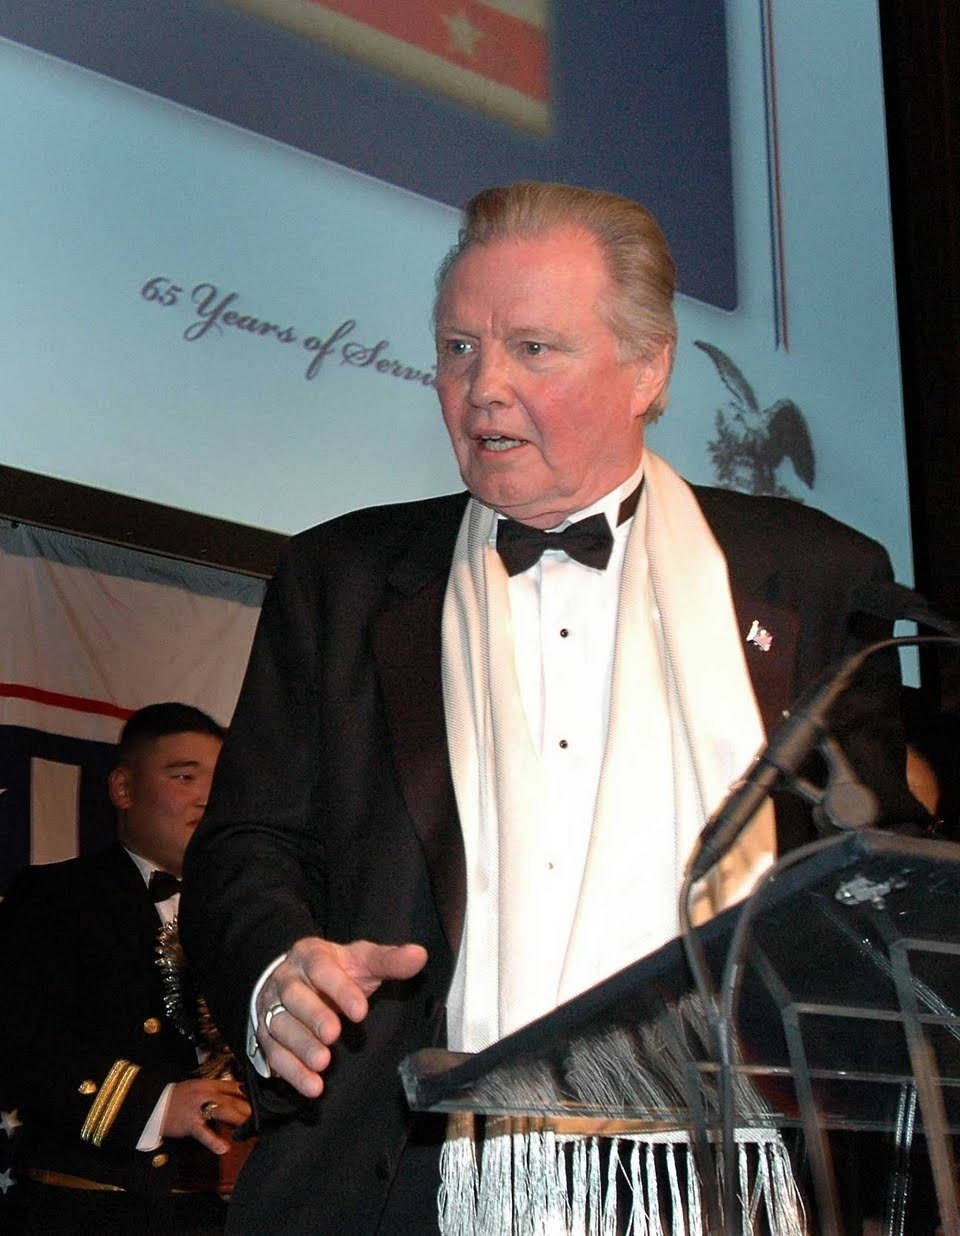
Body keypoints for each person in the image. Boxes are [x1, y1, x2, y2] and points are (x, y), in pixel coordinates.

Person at [180, 182, 922, 1234]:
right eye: (457, 349)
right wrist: (275, 976)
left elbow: (869, 882)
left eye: (534, 348)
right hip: (416, 1172)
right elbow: (245, 845)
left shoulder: (814, 578)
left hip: (735, 1176)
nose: (483, 388)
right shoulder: (340, 579)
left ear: (649, 369)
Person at [0, 702, 251, 1234]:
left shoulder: (249, 916)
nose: (208, 797)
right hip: (90, 1212)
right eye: (184, 776)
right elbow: (17, 1045)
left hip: (221, 1215)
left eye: (220, 780)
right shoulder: (55, 896)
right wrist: (155, 1104)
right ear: (124, 790)